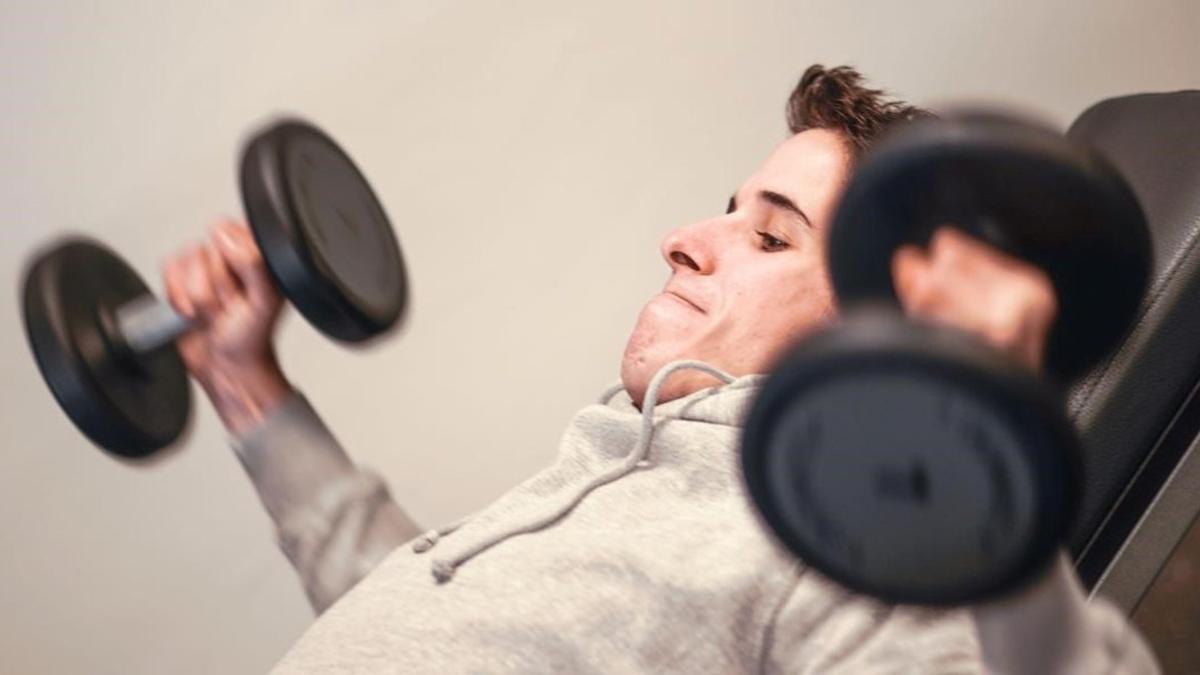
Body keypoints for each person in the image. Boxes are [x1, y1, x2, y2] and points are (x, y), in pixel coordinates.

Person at [164, 65, 1158, 673]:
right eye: (723, 209)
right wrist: (244, 384)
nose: (680, 239)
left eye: (770, 237)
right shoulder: (631, 470)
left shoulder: (844, 532)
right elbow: (435, 623)